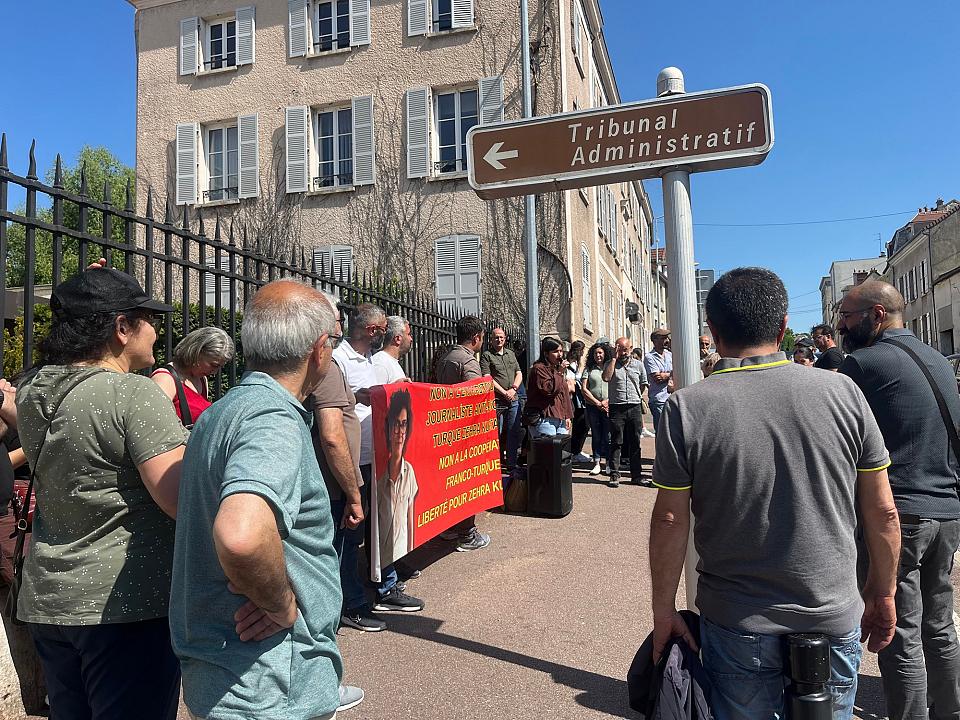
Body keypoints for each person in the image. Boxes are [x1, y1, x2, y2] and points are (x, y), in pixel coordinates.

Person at [649, 267, 900, 720]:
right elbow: (882, 511)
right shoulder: (844, 393)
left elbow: (670, 519)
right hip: (831, 610)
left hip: (738, 620)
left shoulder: (687, 407)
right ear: (784, 327)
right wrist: (882, 592)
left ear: (713, 330)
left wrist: (663, 610)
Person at [170, 280, 359, 720]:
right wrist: (281, 604)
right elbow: (241, 534)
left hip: (228, 669)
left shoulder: (222, 411)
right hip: (269, 680)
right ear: (318, 349)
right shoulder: (272, 418)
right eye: (332, 341)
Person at [16, 267, 186, 719]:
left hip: (50, 595)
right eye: (148, 317)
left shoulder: (34, 388)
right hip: (125, 602)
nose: (157, 329)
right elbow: (177, 496)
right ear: (121, 328)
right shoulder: (133, 393)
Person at [837, 280, 960, 720]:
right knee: (939, 625)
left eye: (846, 316)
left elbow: (838, 439)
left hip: (899, 516)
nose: (841, 326)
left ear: (875, 315)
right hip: (946, 510)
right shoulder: (937, 359)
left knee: (898, 631)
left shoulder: (863, 364)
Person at [335, 304, 425, 610]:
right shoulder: (339, 360)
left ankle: (384, 583)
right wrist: (381, 392)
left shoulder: (369, 359)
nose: (385, 334)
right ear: (372, 331)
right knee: (353, 530)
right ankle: (353, 601)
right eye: (381, 329)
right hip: (355, 458)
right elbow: (346, 403)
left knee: (380, 523)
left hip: (375, 454)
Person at [308, 300, 378, 634]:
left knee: (346, 542)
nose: (341, 323)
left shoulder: (332, 364)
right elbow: (332, 436)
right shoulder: (329, 363)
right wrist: (353, 492)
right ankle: (345, 607)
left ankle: (343, 605)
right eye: (337, 319)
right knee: (341, 545)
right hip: (337, 477)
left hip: (349, 467)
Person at [435, 316, 492, 552]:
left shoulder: (445, 357)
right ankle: (467, 533)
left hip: (445, 430)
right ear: (476, 337)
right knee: (467, 483)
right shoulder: (468, 361)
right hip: (464, 433)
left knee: (450, 483)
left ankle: (449, 527)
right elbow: (474, 396)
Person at [151, 326, 235, 425]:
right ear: (197, 352)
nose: (215, 372)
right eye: (213, 365)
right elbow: (156, 424)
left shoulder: (202, 380)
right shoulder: (165, 379)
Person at [601, 337, 649, 489]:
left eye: (625, 349)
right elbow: (606, 377)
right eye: (619, 349)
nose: (623, 352)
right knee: (616, 441)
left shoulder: (638, 365)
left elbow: (643, 384)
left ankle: (636, 475)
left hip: (634, 407)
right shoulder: (611, 364)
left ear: (631, 348)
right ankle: (615, 474)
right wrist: (614, 359)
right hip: (617, 407)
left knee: (635, 441)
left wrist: (636, 397)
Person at [377, 389, 418, 566]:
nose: (399, 431)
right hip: (382, 560)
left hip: (400, 555)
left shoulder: (409, 472)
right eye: (395, 424)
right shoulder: (379, 478)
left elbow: (410, 524)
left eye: (403, 424)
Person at [480, 328, 523, 471]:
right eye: (496, 337)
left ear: (505, 338)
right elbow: (487, 378)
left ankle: (511, 464)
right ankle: (496, 464)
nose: (499, 340)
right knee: (495, 434)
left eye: (501, 337)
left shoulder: (510, 354)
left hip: (513, 399)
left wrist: (514, 389)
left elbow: (519, 372)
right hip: (497, 401)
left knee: (513, 431)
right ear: (491, 340)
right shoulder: (486, 356)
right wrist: (504, 392)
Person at [526, 337, 574, 438]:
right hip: (546, 418)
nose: (559, 354)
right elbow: (549, 390)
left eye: (561, 351)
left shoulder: (556, 370)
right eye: (555, 351)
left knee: (561, 451)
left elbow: (564, 394)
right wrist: (560, 373)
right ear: (546, 353)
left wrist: (567, 416)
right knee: (548, 451)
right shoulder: (539, 369)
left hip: (561, 418)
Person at [580, 343, 612, 477]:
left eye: (600, 353)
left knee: (608, 436)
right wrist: (597, 402)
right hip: (593, 407)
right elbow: (584, 388)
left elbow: (615, 386)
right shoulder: (589, 369)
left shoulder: (609, 367)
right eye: (595, 353)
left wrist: (607, 401)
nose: (598, 355)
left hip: (608, 405)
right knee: (596, 435)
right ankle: (597, 463)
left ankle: (609, 463)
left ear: (605, 354)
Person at [565, 340, 592, 464]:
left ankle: (577, 450)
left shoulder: (577, 363)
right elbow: (572, 380)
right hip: (575, 399)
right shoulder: (571, 364)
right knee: (580, 424)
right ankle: (575, 451)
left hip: (581, 399)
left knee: (584, 425)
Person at [643, 328, 673, 432]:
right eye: (663, 338)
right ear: (655, 340)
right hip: (658, 400)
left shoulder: (670, 355)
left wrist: (667, 375)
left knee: (672, 431)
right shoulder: (649, 357)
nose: (667, 341)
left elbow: (676, 372)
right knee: (662, 431)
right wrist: (672, 374)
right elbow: (658, 378)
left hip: (671, 397)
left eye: (667, 338)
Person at [372, 315, 413, 385]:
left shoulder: (390, 361)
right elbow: (375, 394)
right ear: (397, 339)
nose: (411, 339)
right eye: (409, 334)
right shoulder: (380, 363)